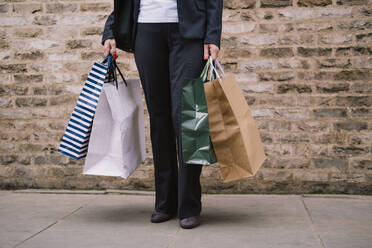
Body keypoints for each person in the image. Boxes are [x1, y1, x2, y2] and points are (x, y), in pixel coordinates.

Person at [101, 0, 223, 229]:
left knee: (189, 117)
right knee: (159, 118)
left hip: (190, 33)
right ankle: (165, 202)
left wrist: (213, 35)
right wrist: (111, 29)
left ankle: (189, 205)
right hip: (146, 30)